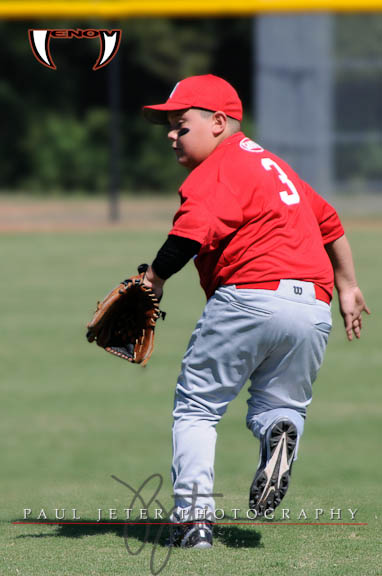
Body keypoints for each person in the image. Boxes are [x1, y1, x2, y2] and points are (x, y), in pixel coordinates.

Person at [141, 74, 370, 549]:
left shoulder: (216, 171)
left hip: (248, 295)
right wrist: (348, 286)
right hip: (312, 306)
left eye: (181, 123)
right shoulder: (274, 166)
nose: (171, 133)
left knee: (198, 408)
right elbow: (329, 220)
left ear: (218, 123)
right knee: (280, 406)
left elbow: (191, 233)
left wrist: (154, 279)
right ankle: (277, 432)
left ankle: (193, 522)